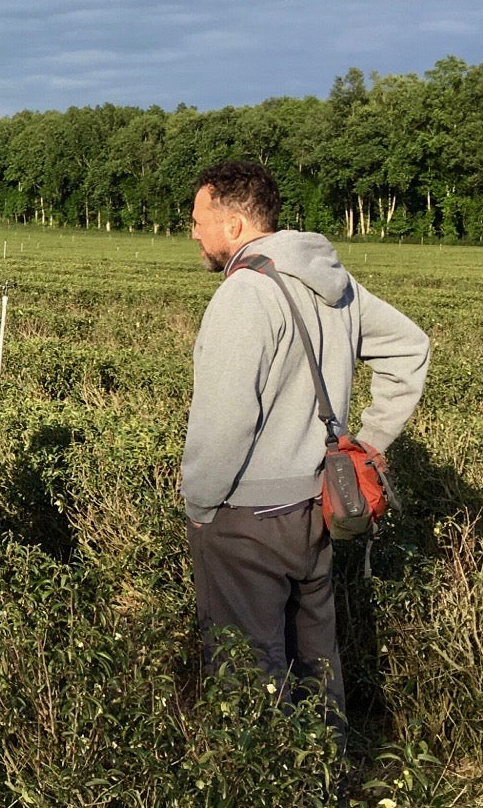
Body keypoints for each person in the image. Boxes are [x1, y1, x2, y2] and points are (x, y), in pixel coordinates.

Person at [182, 160, 429, 725]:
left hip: (244, 516)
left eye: (199, 220)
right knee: (316, 661)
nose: (193, 231)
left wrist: (199, 504)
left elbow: (226, 421)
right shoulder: (335, 286)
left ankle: (266, 805)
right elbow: (411, 349)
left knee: (248, 669)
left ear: (236, 225)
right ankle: (324, 795)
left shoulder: (244, 294)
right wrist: (366, 443)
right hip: (316, 506)